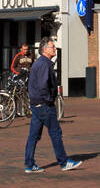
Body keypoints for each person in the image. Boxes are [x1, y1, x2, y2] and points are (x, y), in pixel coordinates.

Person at [23, 39, 80, 173]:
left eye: (54, 46)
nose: (55, 48)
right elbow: (43, 86)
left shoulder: (40, 63)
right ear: (45, 50)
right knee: (55, 132)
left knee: (34, 135)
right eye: (52, 46)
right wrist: (49, 100)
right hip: (44, 105)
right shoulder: (44, 64)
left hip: (36, 104)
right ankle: (64, 162)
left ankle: (29, 164)